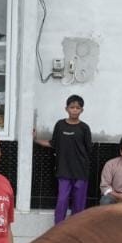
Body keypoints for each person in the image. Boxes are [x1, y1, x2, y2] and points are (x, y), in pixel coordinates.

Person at [34, 94, 92, 223]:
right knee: (62, 200)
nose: (75, 110)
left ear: (82, 110)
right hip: (63, 170)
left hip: (81, 172)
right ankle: (58, 228)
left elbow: (89, 150)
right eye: (72, 107)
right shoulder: (60, 125)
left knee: (79, 203)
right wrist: (35, 140)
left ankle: (76, 229)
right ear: (66, 109)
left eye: (78, 108)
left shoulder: (84, 128)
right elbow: (53, 143)